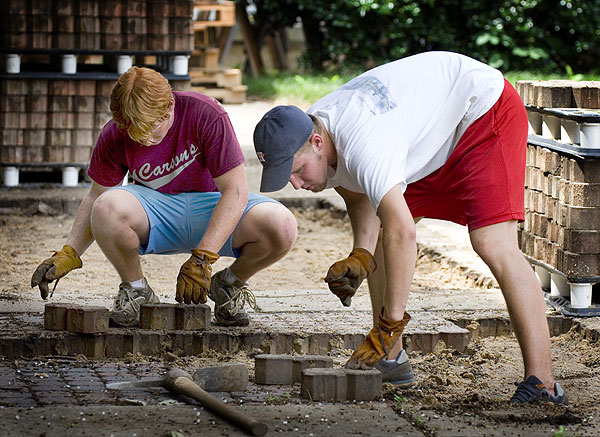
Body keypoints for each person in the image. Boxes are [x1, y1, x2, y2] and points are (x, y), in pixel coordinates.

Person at [252, 51, 566, 404]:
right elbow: (359, 195)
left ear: (317, 143)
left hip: (483, 110)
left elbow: (405, 232)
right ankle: (391, 360)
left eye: (296, 170)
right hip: (433, 129)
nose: (295, 184)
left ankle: (543, 383)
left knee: (492, 242)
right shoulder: (317, 131)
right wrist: (361, 254)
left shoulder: (363, 143)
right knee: (384, 234)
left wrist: (390, 323)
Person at [31, 66, 297, 328]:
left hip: (212, 207)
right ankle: (136, 291)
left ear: (170, 106)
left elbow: (235, 191)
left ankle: (229, 284)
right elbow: (95, 196)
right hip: (155, 212)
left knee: (282, 225)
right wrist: (70, 252)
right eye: (135, 132)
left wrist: (203, 258)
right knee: (106, 207)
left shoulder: (206, 113)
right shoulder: (115, 131)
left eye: (150, 129)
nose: (144, 139)